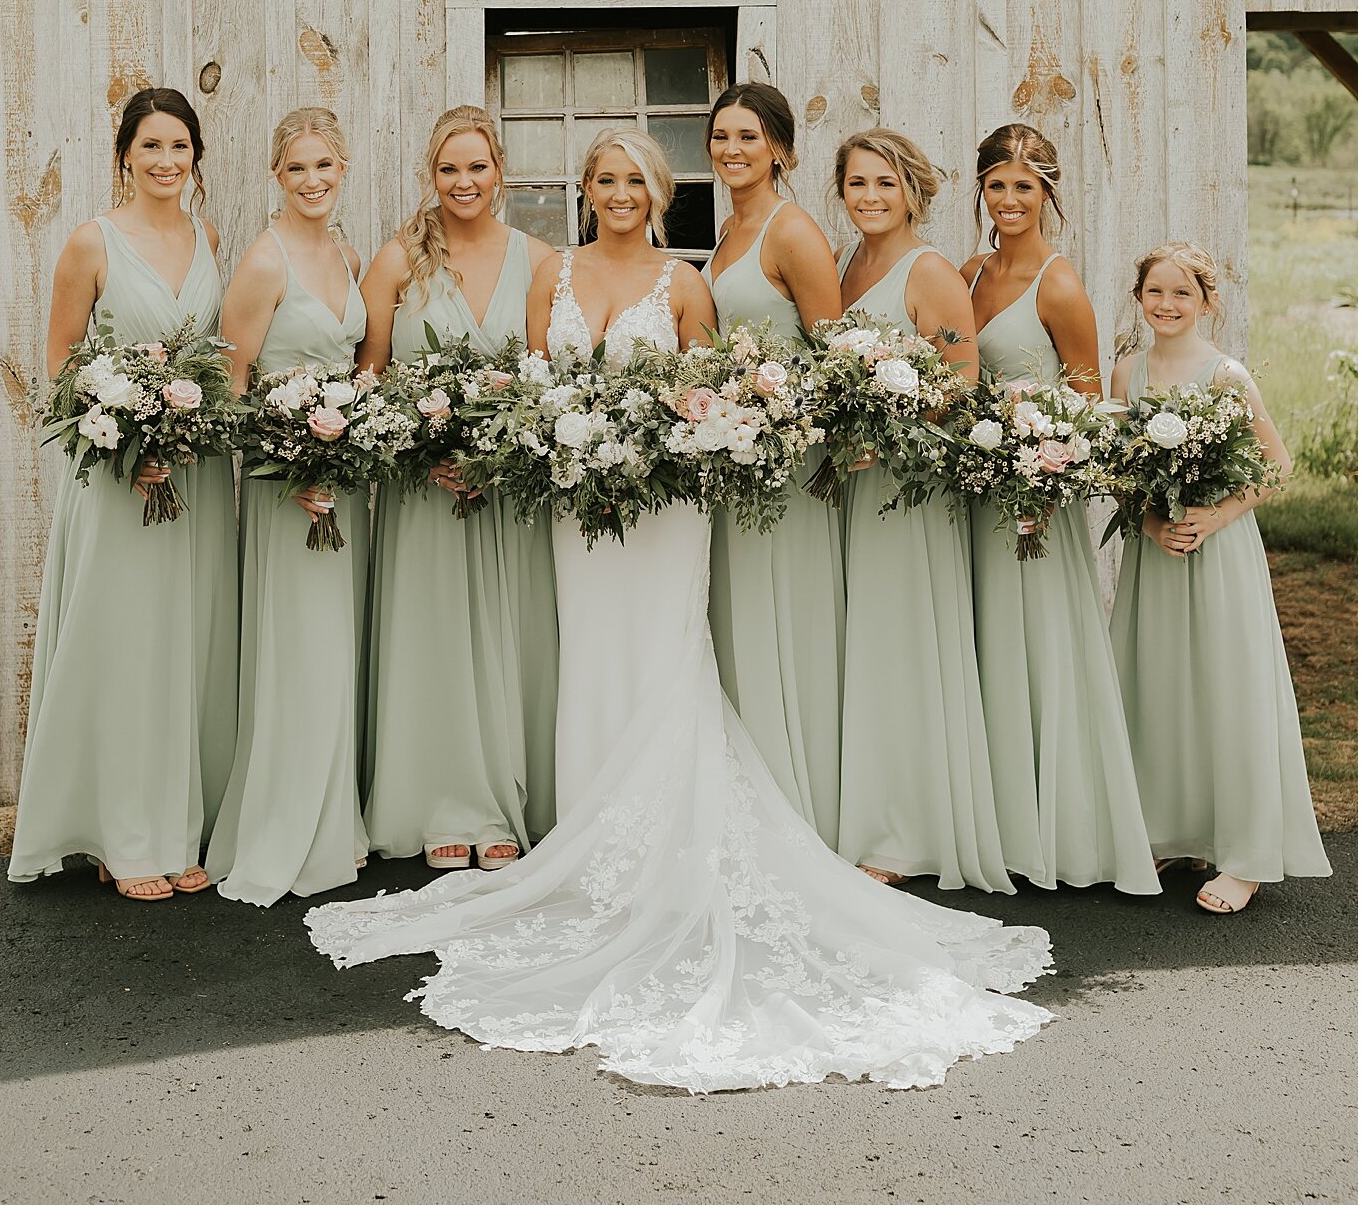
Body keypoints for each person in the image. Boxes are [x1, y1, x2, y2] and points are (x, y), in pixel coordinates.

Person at [305, 130, 1054, 1095]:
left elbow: (713, 400)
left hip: (667, 511)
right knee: (595, 659)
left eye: (637, 182)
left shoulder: (687, 283)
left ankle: (670, 854)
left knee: (664, 657)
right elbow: (540, 390)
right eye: (605, 181)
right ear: (584, 192)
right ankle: (594, 849)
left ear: (660, 196)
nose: (621, 195)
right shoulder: (554, 276)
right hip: (580, 506)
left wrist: (663, 438)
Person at [9, 88, 237, 896]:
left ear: (196, 157)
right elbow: (62, 359)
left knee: (183, 647)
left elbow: (215, 356)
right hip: (117, 475)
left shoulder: (208, 236)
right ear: (125, 158)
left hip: (196, 479)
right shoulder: (92, 242)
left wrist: (184, 433)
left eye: (180, 147)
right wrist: (127, 437)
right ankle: (119, 838)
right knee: (125, 646)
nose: (167, 162)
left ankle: (174, 830)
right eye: (151, 148)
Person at [960, 123, 1158, 897]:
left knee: (1037, 645)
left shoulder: (1059, 283)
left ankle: (1057, 828)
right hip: (971, 492)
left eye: (1024, 186)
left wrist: (1040, 470)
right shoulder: (971, 272)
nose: (1009, 200)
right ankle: (996, 820)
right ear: (981, 189)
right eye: (997, 185)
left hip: (1034, 499)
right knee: (984, 645)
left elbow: (1088, 409)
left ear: (1049, 191)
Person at [1108, 240, 1331, 914]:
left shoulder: (1226, 373)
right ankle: (1171, 827)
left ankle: (1244, 855)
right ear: (1139, 299)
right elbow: (1119, 469)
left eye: (1182, 293)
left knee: (1227, 689)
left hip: (1219, 548)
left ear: (1207, 302)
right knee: (1160, 684)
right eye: (1156, 292)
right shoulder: (1126, 374)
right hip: (1157, 553)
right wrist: (1151, 527)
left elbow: (1278, 464)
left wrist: (1212, 518)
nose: (1167, 304)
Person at [361, 109, 558, 867]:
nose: (464, 182)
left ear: (500, 172)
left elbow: (544, 381)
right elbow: (370, 376)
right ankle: (438, 800)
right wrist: (425, 447)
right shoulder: (396, 263)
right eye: (449, 169)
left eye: (477, 167)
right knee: (434, 641)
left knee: (504, 642)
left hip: (504, 492)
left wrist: (495, 455)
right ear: (430, 176)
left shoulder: (539, 260)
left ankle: (502, 806)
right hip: (424, 491)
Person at [832, 128, 1010, 892]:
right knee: (865, 644)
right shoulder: (849, 264)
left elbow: (962, 382)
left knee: (903, 644)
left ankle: (908, 833)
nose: (869, 197)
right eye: (856, 184)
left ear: (913, 190)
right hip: (854, 485)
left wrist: (891, 428)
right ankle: (868, 810)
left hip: (907, 488)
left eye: (884, 184)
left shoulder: (929, 270)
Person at [205, 108, 370, 905]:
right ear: (277, 175)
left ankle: (334, 820)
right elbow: (231, 390)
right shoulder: (264, 263)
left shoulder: (346, 252)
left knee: (336, 651)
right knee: (298, 653)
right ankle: (285, 826)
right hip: (287, 491)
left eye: (326, 168)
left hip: (346, 488)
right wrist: (286, 463)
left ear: (344, 172)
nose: (313, 182)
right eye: (298, 168)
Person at [703, 83, 847, 848]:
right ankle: (746, 794)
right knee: (740, 619)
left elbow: (835, 360)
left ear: (781, 150)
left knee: (785, 617)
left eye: (748, 137)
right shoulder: (730, 232)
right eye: (721, 136)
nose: (732, 149)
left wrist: (780, 417)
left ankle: (797, 803)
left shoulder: (792, 233)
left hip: (789, 463)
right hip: (736, 458)